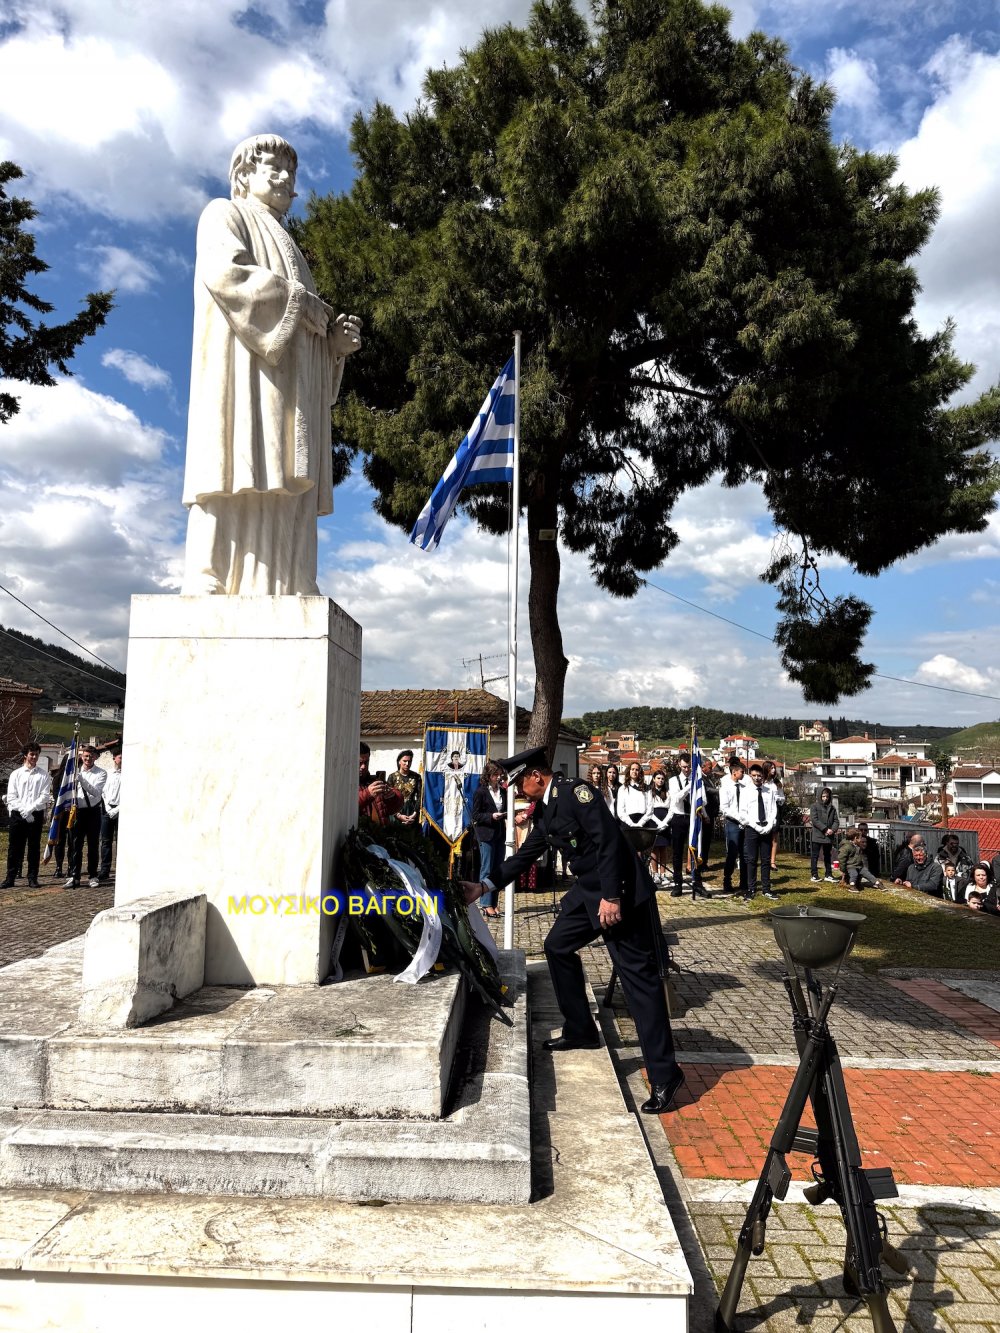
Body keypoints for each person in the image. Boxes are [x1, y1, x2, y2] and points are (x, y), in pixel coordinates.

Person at [181, 133, 362, 596]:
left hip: (287, 389)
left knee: (282, 474)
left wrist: (333, 350)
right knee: (231, 463)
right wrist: (300, 304)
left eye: (291, 172)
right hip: (241, 375)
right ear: (244, 175)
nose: (285, 178)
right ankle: (210, 574)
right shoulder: (224, 214)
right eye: (272, 168)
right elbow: (227, 275)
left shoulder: (294, 250)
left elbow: (307, 333)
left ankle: (288, 579)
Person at [463, 748, 684, 1114]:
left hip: (621, 892)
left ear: (536, 775)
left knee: (638, 982)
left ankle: (665, 1074)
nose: (517, 790)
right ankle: (580, 1029)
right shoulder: (546, 810)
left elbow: (611, 843)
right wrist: (484, 886)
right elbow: (524, 855)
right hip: (589, 891)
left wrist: (612, 897)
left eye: (519, 783)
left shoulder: (577, 793)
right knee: (557, 946)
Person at [1, 743, 51, 889]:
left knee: (34, 848)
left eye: (36, 754)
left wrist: (30, 809)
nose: (34, 757)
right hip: (18, 814)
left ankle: (32, 878)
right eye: (31, 754)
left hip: (35, 814)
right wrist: (24, 810)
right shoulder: (16, 774)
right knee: (14, 847)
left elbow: (45, 796)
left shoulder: (43, 775)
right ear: (25, 755)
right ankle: (10, 878)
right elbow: (11, 796)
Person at [737, 762, 780, 901]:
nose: (757, 778)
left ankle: (766, 889)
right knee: (751, 860)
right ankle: (751, 888)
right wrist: (755, 826)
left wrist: (769, 825)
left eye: (759, 776)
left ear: (763, 776)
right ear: (750, 775)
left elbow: (773, 809)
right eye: (754, 775)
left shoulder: (769, 790)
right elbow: (743, 813)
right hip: (752, 828)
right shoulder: (745, 792)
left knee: (766, 860)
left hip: (766, 827)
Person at [65, 745, 107, 889]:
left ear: (95, 757)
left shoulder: (101, 773)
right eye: (85, 756)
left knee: (93, 845)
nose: (88, 759)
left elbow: (96, 792)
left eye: (91, 756)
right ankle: (74, 875)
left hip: (93, 811)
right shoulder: (74, 772)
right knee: (75, 845)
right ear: (81, 757)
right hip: (77, 811)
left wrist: (81, 780)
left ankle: (93, 875)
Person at [472, 762, 506, 918]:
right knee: (487, 868)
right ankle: (485, 904)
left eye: (499, 774)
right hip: (486, 834)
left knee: (498, 869)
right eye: (495, 774)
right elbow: (476, 815)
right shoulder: (481, 792)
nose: (498, 777)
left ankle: (494, 902)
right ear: (488, 775)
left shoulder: (503, 791)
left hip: (499, 833)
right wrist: (490, 816)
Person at [667, 755, 704, 898]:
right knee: (677, 853)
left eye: (689, 767)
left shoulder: (697, 780)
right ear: (679, 765)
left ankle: (698, 882)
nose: (687, 770)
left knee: (696, 850)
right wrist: (690, 786)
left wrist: (704, 814)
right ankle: (678, 883)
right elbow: (676, 799)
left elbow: (703, 799)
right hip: (679, 818)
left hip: (694, 817)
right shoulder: (673, 780)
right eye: (684, 767)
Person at [718, 761, 747, 897]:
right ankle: (727, 881)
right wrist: (739, 817)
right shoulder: (726, 788)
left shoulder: (744, 787)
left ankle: (744, 882)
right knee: (732, 852)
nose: (743, 774)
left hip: (744, 823)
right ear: (734, 772)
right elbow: (724, 808)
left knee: (744, 853)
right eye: (742, 772)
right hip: (733, 823)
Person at [358, 742, 403, 825]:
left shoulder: (374, 781)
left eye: (366, 762)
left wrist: (392, 796)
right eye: (360, 763)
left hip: (379, 833)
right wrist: (367, 794)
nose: (363, 767)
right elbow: (345, 807)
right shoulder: (345, 784)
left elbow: (395, 807)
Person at [97, 750, 122, 883]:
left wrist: (118, 809)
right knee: (106, 841)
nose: (121, 760)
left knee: (120, 842)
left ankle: (121, 869)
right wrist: (107, 808)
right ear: (114, 759)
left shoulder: (129, 775)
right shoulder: (107, 774)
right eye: (120, 757)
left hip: (121, 810)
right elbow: (103, 792)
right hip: (107, 810)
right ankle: (104, 870)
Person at [643, 769, 672, 883]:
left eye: (662, 779)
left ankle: (663, 873)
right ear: (654, 779)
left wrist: (664, 822)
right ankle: (655, 874)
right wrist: (657, 822)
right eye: (658, 778)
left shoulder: (668, 793)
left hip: (665, 823)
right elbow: (648, 810)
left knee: (663, 849)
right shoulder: (649, 792)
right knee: (654, 849)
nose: (660, 780)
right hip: (653, 821)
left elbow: (671, 809)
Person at [837, 826, 883, 894]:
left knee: (868, 874)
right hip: (851, 866)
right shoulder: (847, 847)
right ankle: (852, 885)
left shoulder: (857, 846)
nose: (861, 839)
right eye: (860, 838)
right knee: (854, 874)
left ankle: (877, 883)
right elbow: (842, 858)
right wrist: (843, 869)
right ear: (855, 838)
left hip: (859, 866)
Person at [808, 789, 840, 882]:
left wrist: (832, 830)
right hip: (817, 835)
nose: (825, 798)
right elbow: (814, 820)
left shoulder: (832, 808)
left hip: (828, 836)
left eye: (827, 796)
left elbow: (836, 821)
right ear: (819, 796)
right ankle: (814, 875)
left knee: (827, 855)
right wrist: (825, 829)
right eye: (823, 796)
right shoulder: (814, 806)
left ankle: (828, 874)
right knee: (815, 856)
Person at [387, 750, 422, 830]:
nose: (407, 764)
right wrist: (398, 815)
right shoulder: (392, 777)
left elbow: (420, 796)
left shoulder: (417, 777)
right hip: (396, 812)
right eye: (404, 761)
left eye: (409, 761)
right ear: (399, 762)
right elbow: (388, 798)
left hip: (412, 811)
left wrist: (415, 814)